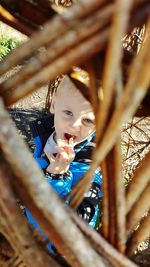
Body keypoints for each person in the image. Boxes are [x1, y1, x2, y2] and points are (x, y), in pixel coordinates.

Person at [25, 71, 102, 253]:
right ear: (53, 105)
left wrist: (57, 175)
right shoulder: (46, 136)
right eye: (68, 112)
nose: (74, 125)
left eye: (88, 120)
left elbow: (75, 232)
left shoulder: (90, 170)